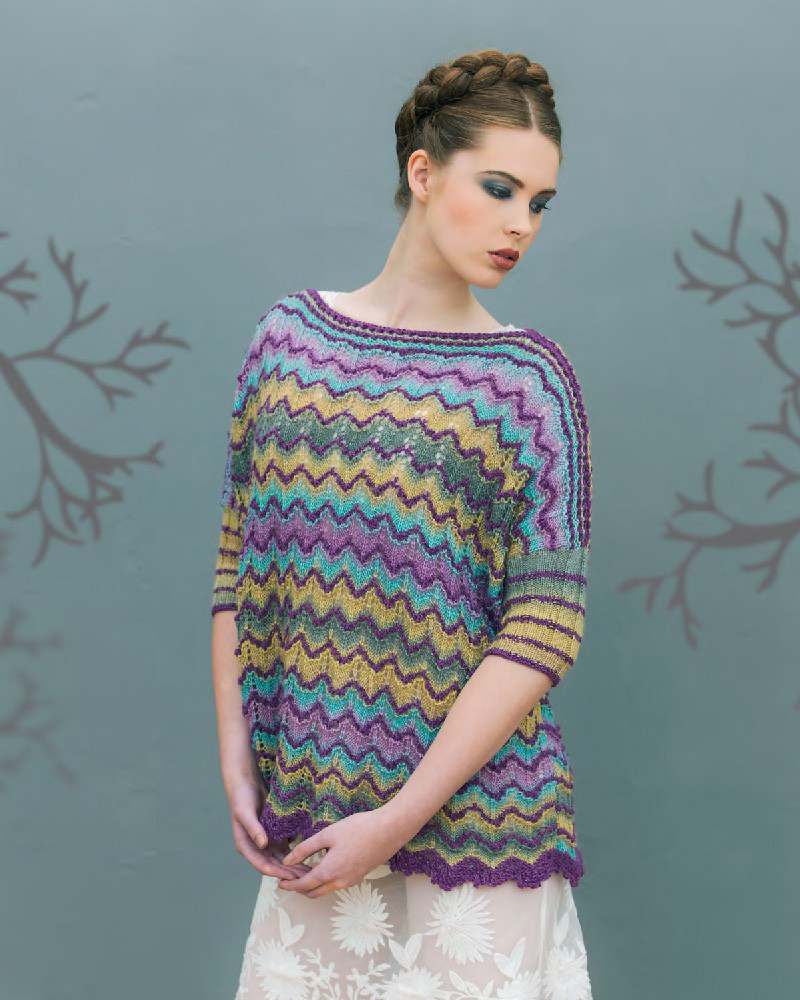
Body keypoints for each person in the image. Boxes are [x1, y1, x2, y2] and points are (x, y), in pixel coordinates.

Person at [211, 47, 594, 999]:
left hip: (480, 841)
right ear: (423, 173)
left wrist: (397, 818)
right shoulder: (289, 344)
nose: (520, 224)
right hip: (314, 819)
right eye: (499, 188)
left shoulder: (527, 384)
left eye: (539, 203)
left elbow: (546, 625)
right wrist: (238, 759)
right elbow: (238, 565)